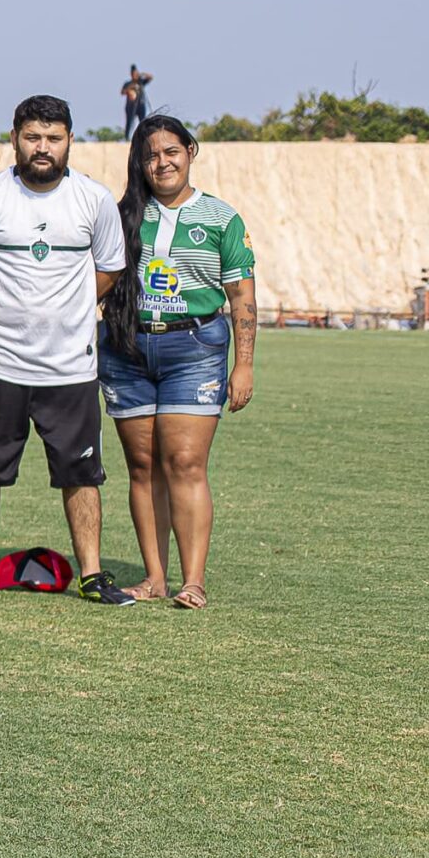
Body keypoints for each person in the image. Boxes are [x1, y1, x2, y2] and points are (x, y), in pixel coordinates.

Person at [0, 96, 136, 606]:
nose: (42, 148)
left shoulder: (94, 201)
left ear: (69, 141)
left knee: (81, 474)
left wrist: (68, 310)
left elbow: (110, 268)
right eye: (33, 137)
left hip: (70, 366)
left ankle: (93, 574)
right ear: (14, 138)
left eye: (53, 138)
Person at [97, 116, 256, 609]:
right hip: (126, 350)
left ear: (190, 152)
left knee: (184, 462)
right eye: (150, 155)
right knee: (143, 467)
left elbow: (242, 295)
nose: (161, 162)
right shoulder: (121, 214)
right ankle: (154, 578)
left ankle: (193, 580)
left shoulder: (221, 218)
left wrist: (244, 363)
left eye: (171, 151)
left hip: (195, 350)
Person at [121, 65, 154, 138]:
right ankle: (127, 137)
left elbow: (151, 77)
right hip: (130, 106)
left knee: (142, 122)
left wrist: (142, 74)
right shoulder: (128, 83)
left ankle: (143, 137)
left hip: (141, 105)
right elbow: (122, 92)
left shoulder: (141, 82)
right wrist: (131, 87)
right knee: (129, 122)